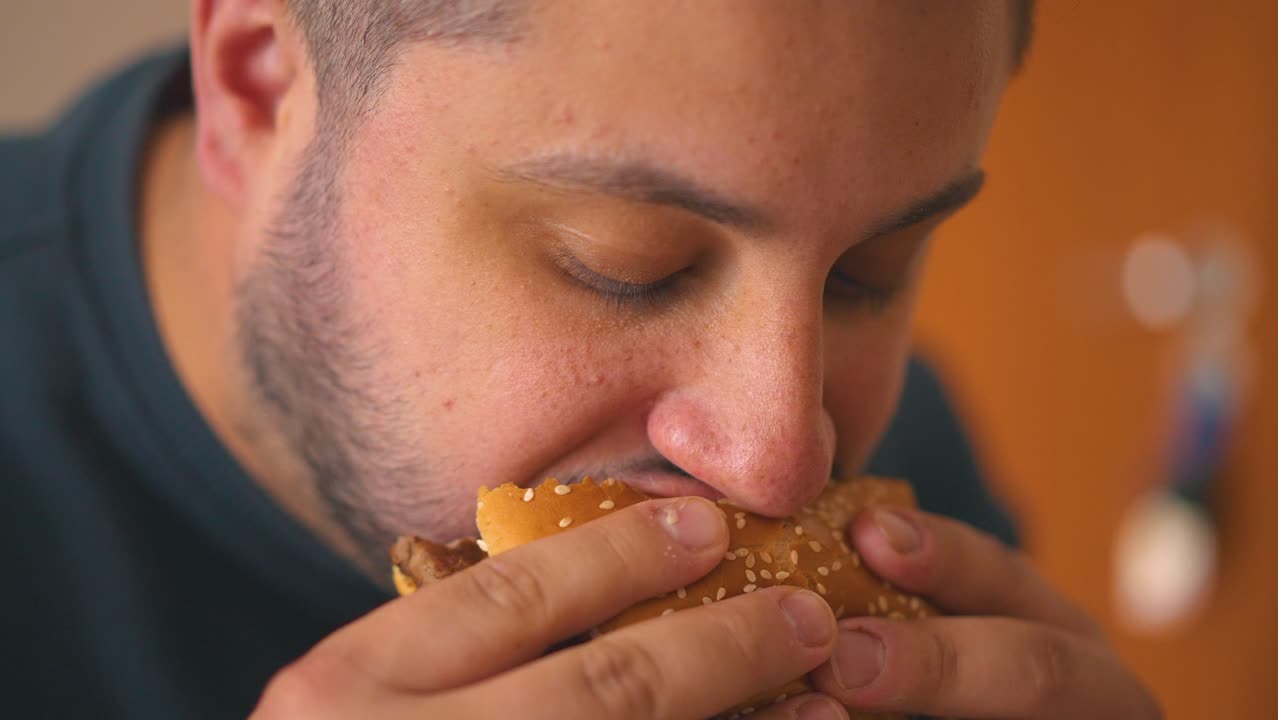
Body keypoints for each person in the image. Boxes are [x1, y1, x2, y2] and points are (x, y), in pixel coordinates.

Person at [0, 1, 1160, 718]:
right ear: (259, 89)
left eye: (868, 273)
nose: (782, 462)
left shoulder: (910, 489)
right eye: (627, 268)